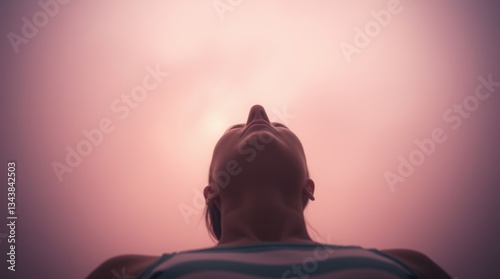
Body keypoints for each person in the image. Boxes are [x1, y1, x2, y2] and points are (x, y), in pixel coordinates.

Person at [88, 105, 452, 279]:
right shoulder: (125, 272)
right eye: (235, 126)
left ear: (308, 186)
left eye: (280, 124)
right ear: (211, 191)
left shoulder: (413, 265)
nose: (256, 111)